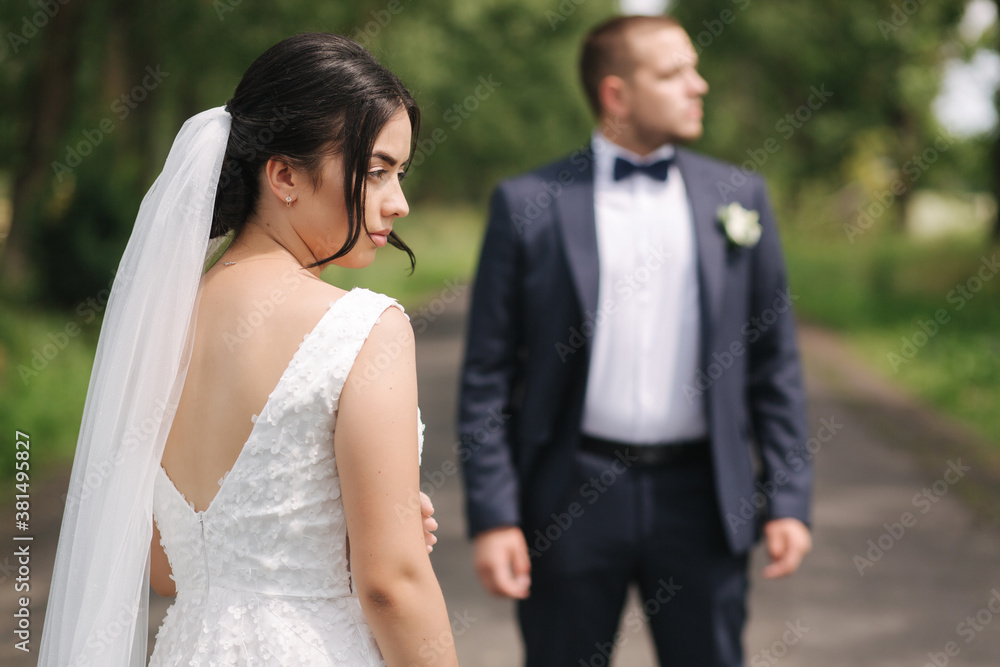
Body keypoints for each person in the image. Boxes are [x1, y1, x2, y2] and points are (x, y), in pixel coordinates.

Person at [38, 33, 459, 666]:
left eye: (400, 174)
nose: (397, 202)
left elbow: (167, 570)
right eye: (375, 172)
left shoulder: (161, 325)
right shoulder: (362, 327)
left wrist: (333, 533)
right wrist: (376, 541)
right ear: (285, 174)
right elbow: (392, 584)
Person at [458, 14, 813, 667]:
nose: (698, 84)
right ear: (617, 94)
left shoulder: (741, 197)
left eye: (694, 68)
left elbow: (774, 363)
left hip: (702, 496)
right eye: (673, 72)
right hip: (570, 492)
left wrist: (788, 496)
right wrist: (493, 514)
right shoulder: (527, 202)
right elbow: (486, 375)